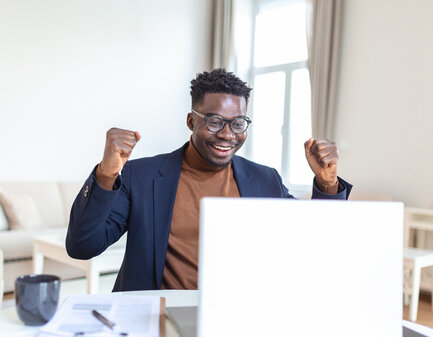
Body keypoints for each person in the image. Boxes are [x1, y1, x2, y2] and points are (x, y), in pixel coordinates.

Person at [66, 68, 352, 292]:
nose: (228, 134)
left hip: (236, 319)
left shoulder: (266, 180)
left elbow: (317, 244)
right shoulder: (141, 176)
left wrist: (327, 184)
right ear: (192, 121)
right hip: (155, 318)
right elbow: (82, 246)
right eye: (215, 121)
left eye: (238, 123)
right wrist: (106, 173)